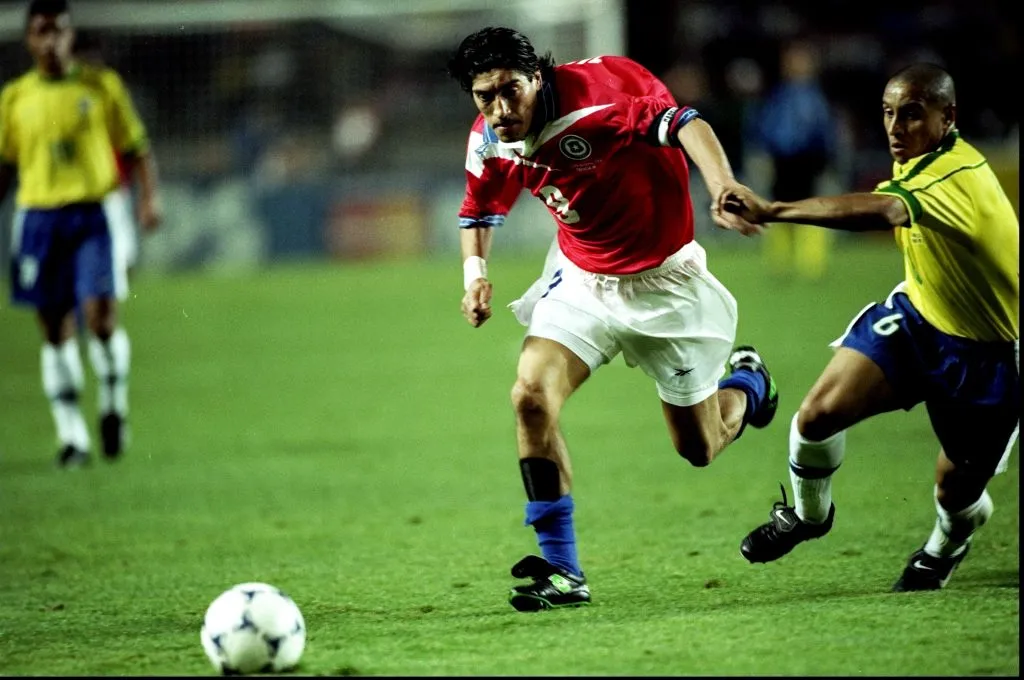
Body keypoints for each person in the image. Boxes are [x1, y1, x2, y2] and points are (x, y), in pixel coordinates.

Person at [446, 26, 779, 612]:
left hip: (666, 285)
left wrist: (722, 184)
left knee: (699, 449)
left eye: (510, 90)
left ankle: (749, 385)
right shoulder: (489, 137)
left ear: (537, 76)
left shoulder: (601, 96)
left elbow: (685, 123)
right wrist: (475, 278)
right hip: (581, 280)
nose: (500, 108)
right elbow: (478, 208)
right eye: (484, 96)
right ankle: (563, 570)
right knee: (529, 398)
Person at [719, 63, 1018, 591]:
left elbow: (882, 211)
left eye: (912, 114)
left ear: (948, 117)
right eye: (888, 113)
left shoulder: (956, 176)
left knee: (957, 493)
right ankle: (809, 517)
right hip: (918, 320)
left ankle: (946, 545)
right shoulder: (921, 156)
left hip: (990, 356)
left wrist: (776, 210)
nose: (895, 127)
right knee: (816, 416)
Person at [0, 0, 163, 468]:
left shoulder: (101, 86)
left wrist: (150, 199)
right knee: (54, 329)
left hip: (93, 214)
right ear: (29, 39)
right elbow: (6, 166)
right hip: (38, 219)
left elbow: (137, 148)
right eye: (41, 32)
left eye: (59, 31)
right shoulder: (15, 98)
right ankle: (73, 437)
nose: (51, 40)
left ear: (71, 36)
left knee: (102, 318)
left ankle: (113, 405)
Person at [752, 39, 836, 280]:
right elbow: (764, 127)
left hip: (809, 161)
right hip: (782, 162)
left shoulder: (814, 96)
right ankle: (780, 264)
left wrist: (826, 157)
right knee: (779, 211)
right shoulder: (778, 95)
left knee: (811, 212)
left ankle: (811, 265)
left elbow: (825, 130)